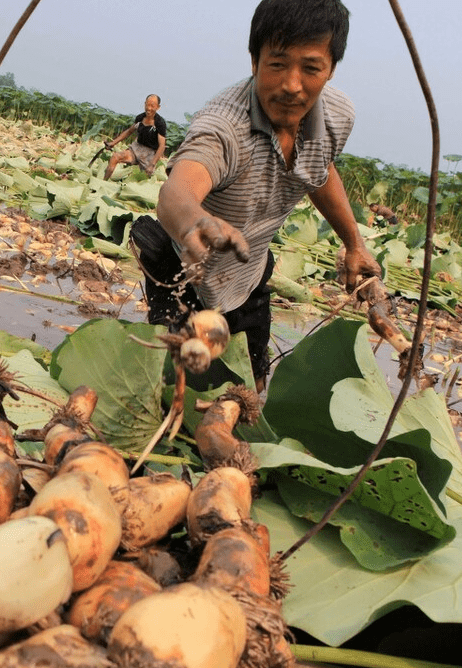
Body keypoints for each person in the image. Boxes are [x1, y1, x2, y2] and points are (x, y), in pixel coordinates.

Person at [132, 0, 381, 392]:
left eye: (311, 67)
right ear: (254, 60)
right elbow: (176, 192)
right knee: (179, 392)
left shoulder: (337, 115)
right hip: (186, 273)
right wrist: (196, 222)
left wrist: (354, 243)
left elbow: (319, 170)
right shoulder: (224, 126)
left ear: (331, 68)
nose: (292, 85)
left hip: (248, 271)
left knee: (251, 389)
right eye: (277, 64)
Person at [103, 94, 167, 180]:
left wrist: (152, 164)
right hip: (136, 148)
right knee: (115, 157)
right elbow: (129, 131)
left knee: (146, 178)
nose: (149, 108)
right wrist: (113, 143)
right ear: (144, 104)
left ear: (158, 107)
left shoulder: (160, 123)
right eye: (147, 105)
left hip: (149, 154)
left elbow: (162, 146)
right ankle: (104, 181)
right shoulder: (140, 118)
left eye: (152, 106)